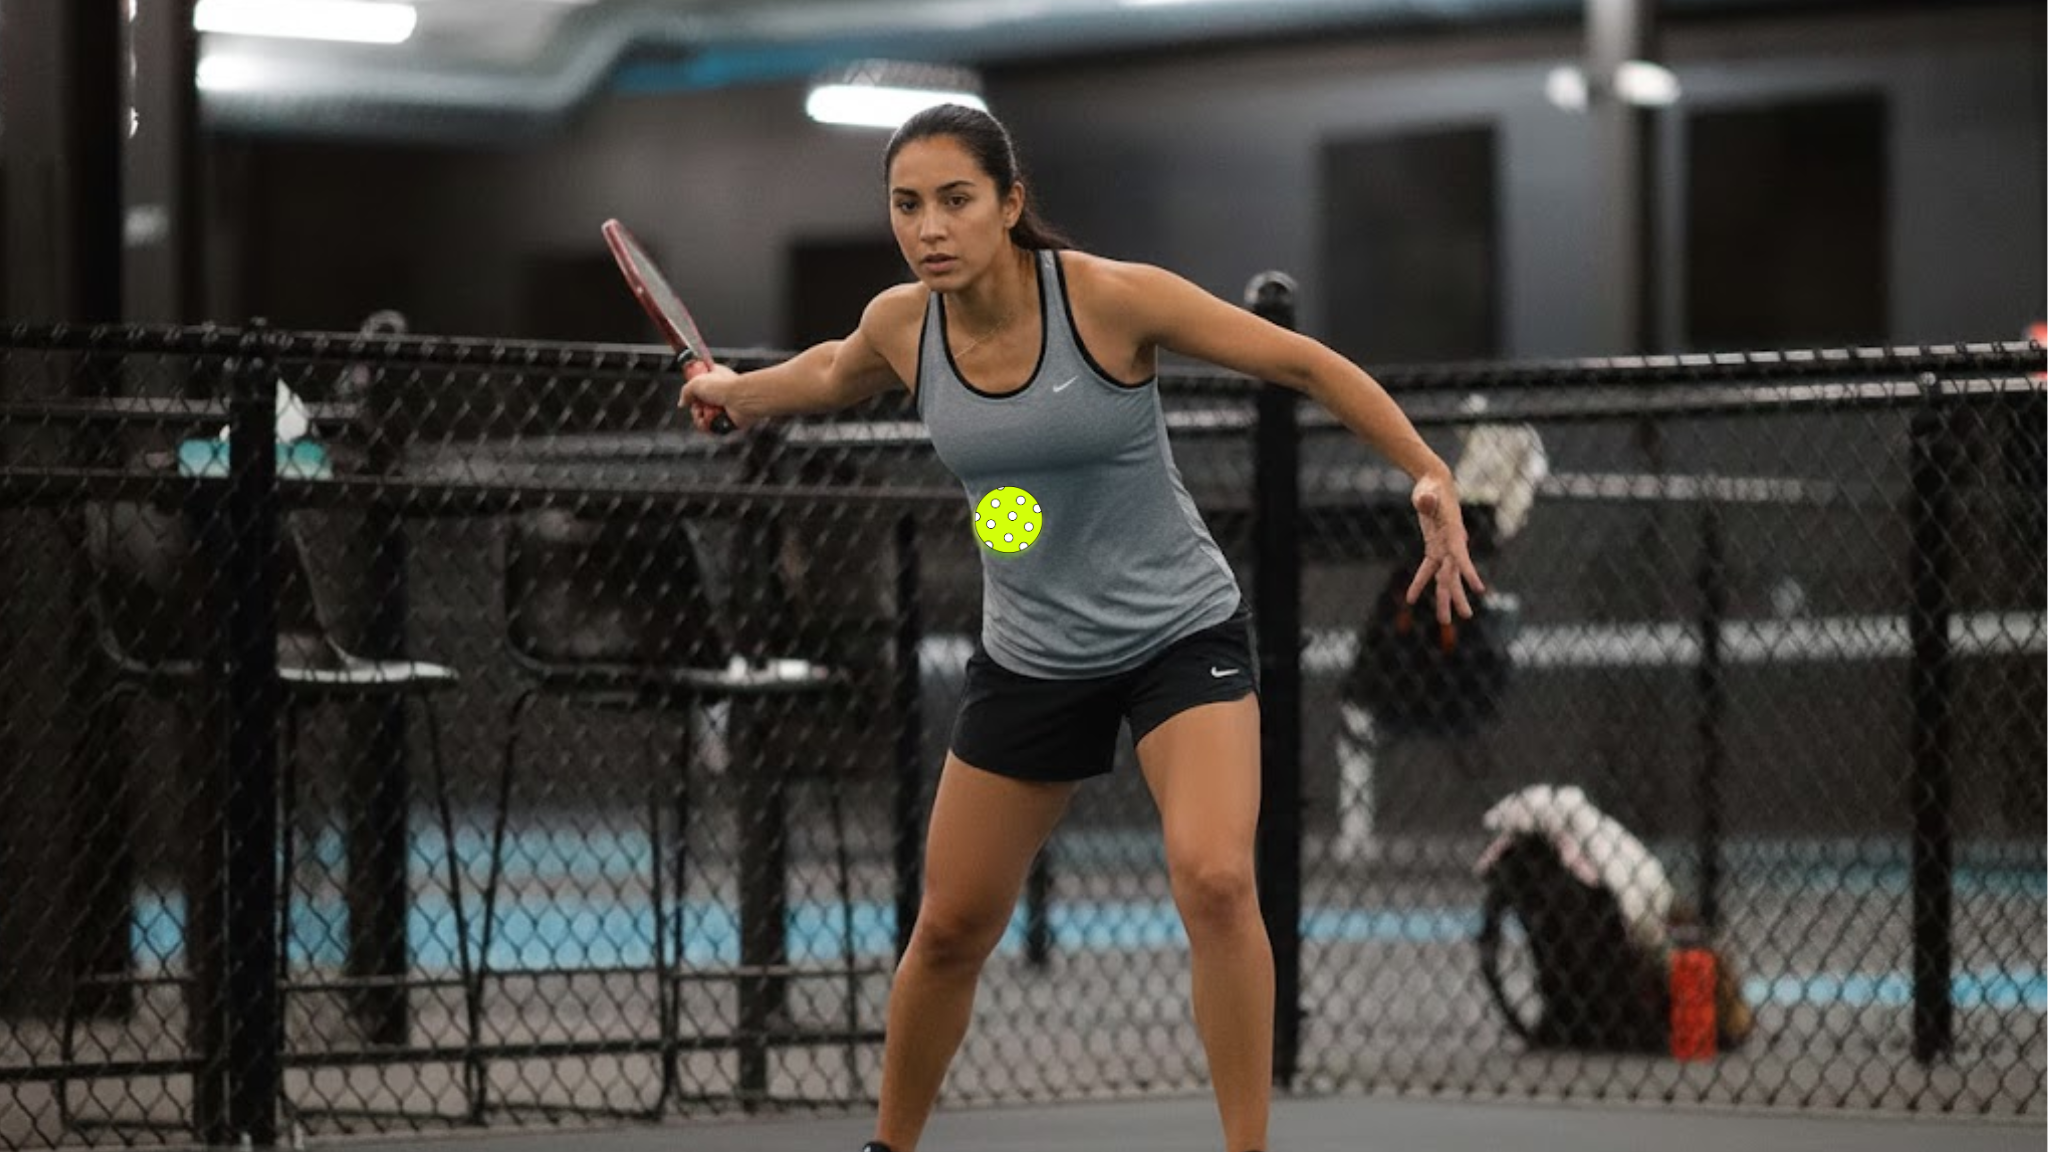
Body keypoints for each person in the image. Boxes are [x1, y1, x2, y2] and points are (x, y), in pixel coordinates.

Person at [678, 102, 1484, 1152]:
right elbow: (830, 371)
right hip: (1031, 655)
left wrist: (1426, 473)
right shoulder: (902, 326)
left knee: (1213, 876)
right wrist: (733, 392)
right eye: (906, 205)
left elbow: (1303, 364)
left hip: (1175, 633)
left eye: (955, 201)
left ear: (1010, 204)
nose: (928, 227)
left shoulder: (1109, 301)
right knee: (951, 928)